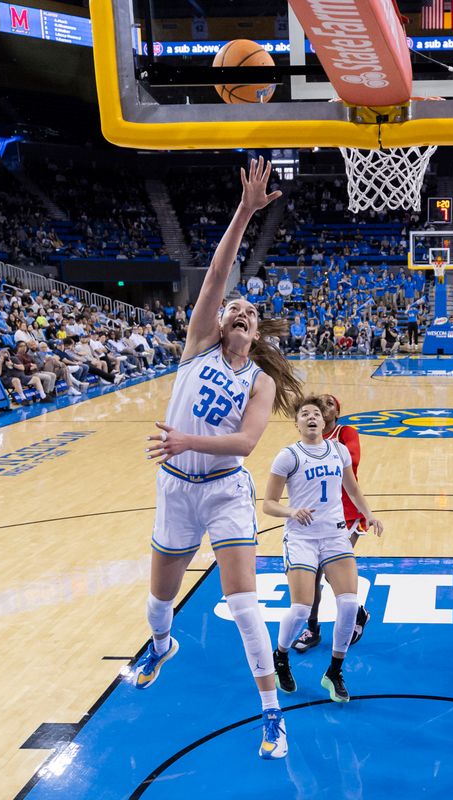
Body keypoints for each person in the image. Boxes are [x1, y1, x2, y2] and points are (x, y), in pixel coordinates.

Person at [138, 159, 304, 761]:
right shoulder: (195, 348)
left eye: (249, 311)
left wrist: (188, 440)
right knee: (159, 605)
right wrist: (245, 212)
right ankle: (161, 645)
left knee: (243, 604)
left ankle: (271, 715)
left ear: (255, 332)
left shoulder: (258, 380)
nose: (239, 310)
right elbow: (214, 273)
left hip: (226, 489)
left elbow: (245, 445)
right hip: (176, 489)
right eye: (233, 307)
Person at [263, 397, 383, 703]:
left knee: (348, 605)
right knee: (301, 607)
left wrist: (368, 514)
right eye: (305, 414)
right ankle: (280, 658)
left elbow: (352, 488)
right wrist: (291, 511)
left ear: (323, 421)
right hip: (301, 538)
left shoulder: (339, 450)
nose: (312, 417)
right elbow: (268, 504)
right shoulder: (287, 456)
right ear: (298, 423)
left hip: (334, 535)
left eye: (316, 413)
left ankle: (334, 671)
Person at [292, 394, 370, 653]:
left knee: (331, 572)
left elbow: (353, 461)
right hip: (317, 515)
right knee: (312, 576)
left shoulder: (345, 432)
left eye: (328, 402)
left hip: (346, 512)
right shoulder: (307, 439)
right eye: (319, 403)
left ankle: (356, 612)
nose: (322, 406)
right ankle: (312, 629)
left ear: (336, 411)